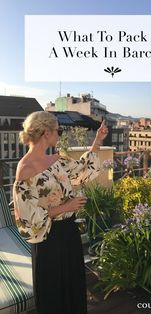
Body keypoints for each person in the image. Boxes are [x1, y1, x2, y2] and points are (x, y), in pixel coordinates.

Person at [13, 111, 108, 314]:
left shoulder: (57, 160)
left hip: (68, 233)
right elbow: (27, 218)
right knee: (53, 292)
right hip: (48, 239)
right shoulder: (25, 169)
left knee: (73, 286)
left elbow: (82, 171)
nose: (60, 134)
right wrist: (67, 206)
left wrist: (98, 140)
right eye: (59, 130)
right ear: (46, 133)